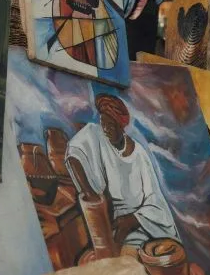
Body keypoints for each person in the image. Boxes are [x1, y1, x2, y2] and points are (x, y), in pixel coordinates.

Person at [66, 94, 180, 257]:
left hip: (139, 225)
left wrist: (131, 220)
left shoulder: (139, 155)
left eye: (111, 125)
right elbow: (73, 154)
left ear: (122, 126)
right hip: (109, 222)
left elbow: (155, 202)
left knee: (132, 259)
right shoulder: (95, 134)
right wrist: (89, 193)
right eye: (103, 123)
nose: (106, 129)